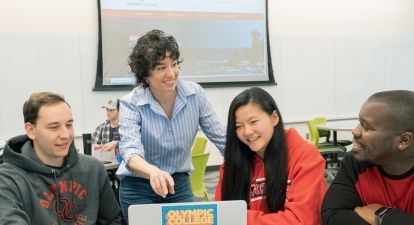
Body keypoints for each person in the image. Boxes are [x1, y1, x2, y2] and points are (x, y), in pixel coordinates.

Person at [117, 29, 226, 222]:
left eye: (174, 64)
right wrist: (153, 172)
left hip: (178, 184)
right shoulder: (131, 103)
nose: (171, 73)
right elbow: (130, 153)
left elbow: (222, 138)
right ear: (145, 74)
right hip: (138, 187)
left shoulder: (195, 95)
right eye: (160, 67)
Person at [0, 92, 123, 225]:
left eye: (69, 125)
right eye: (54, 127)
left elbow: (113, 220)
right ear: (31, 130)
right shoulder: (7, 179)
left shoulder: (93, 169)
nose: (66, 134)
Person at [215, 87, 327, 225]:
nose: (247, 131)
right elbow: (220, 215)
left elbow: (301, 220)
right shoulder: (232, 166)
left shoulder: (305, 157)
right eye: (238, 126)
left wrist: (238, 218)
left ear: (274, 118)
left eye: (253, 122)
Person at [322, 90, 414, 225]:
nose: (355, 131)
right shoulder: (355, 163)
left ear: (403, 140)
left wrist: (383, 216)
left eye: (367, 127)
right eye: (359, 122)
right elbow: (332, 217)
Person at [92, 98, 122, 162]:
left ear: (120, 110)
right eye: (107, 110)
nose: (108, 113)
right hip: (107, 166)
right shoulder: (100, 128)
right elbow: (93, 146)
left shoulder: (127, 128)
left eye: (111, 110)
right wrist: (96, 147)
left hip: (123, 165)